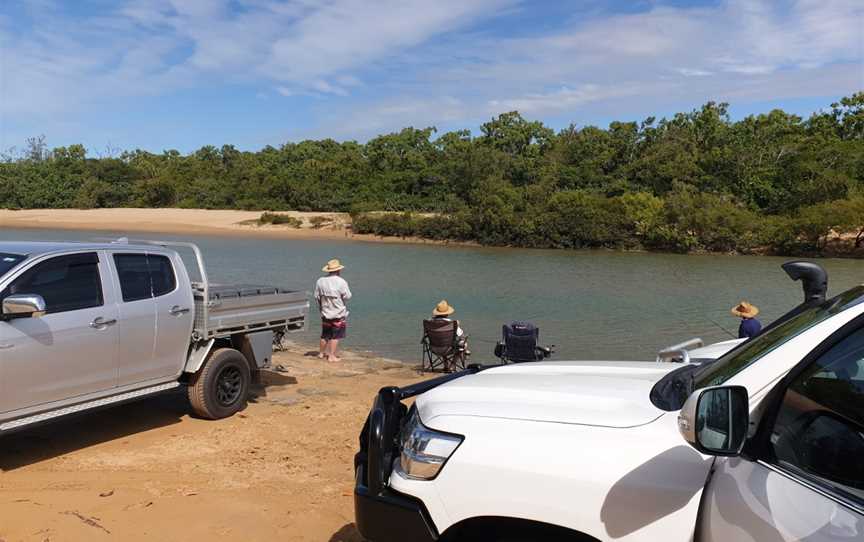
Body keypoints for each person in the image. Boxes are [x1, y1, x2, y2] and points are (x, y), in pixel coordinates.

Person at [314, 259, 352, 361]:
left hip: (325, 312)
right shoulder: (342, 282)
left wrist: (321, 308)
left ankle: (321, 353)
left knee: (325, 334)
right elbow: (348, 296)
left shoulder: (320, 281)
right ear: (338, 270)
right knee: (335, 336)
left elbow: (316, 296)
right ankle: (331, 356)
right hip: (338, 313)